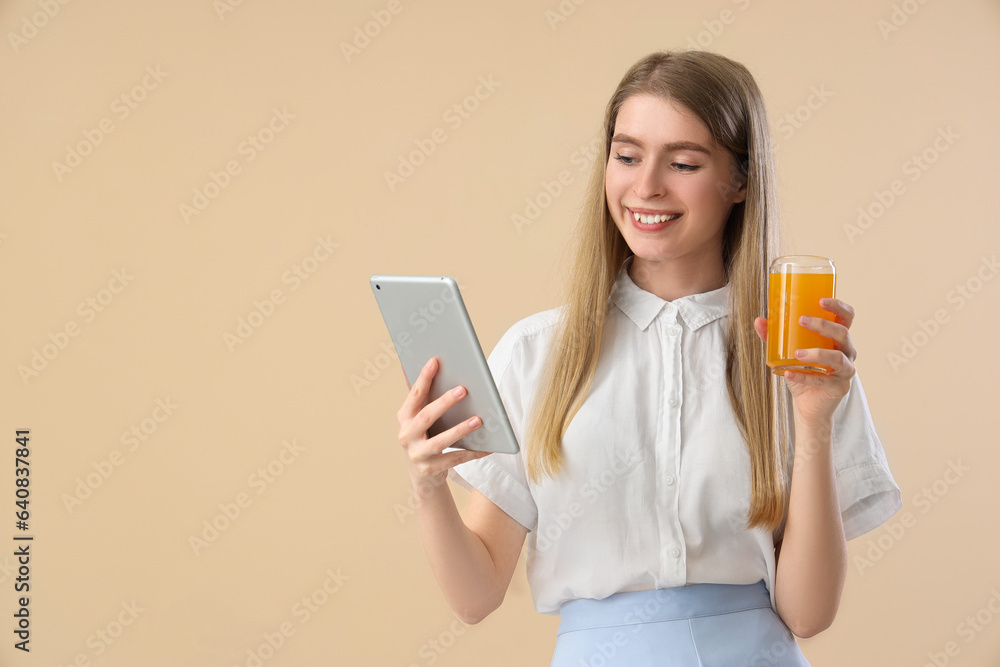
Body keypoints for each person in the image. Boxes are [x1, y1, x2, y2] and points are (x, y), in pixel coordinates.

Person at [395, 49, 901, 666]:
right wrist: (428, 485)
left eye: (683, 162)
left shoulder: (799, 363)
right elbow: (475, 596)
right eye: (627, 156)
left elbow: (809, 614)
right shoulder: (537, 355)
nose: (646, 186)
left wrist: (815, 418)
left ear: (740, 181)